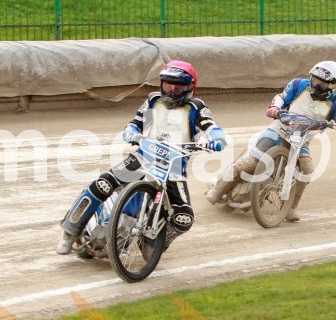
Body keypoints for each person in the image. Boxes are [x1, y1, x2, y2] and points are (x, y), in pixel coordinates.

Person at [57, 60, 227, 255]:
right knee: (103, 183)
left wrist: (216, 139)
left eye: (178, 88)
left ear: (190, 88)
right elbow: (135, 124)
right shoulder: (153, 100)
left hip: (173, 169)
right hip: (142, 158)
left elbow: (211, 127)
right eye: (167, 86)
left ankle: (153, 244)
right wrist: (131, 133)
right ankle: (70, 232)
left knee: (184, 217)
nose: (171, 92)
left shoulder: (196, 107)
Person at [205, 61, 336, 222]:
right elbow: (281, 98)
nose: (316, 86)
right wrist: (275, 108)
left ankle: (290, 208)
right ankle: (218, 190)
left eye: (322, 84)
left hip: (301, 141)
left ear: (333, 86)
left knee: (307, 169)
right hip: (278, 131)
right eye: (314, 80)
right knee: (249, 163)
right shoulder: (298, 85)